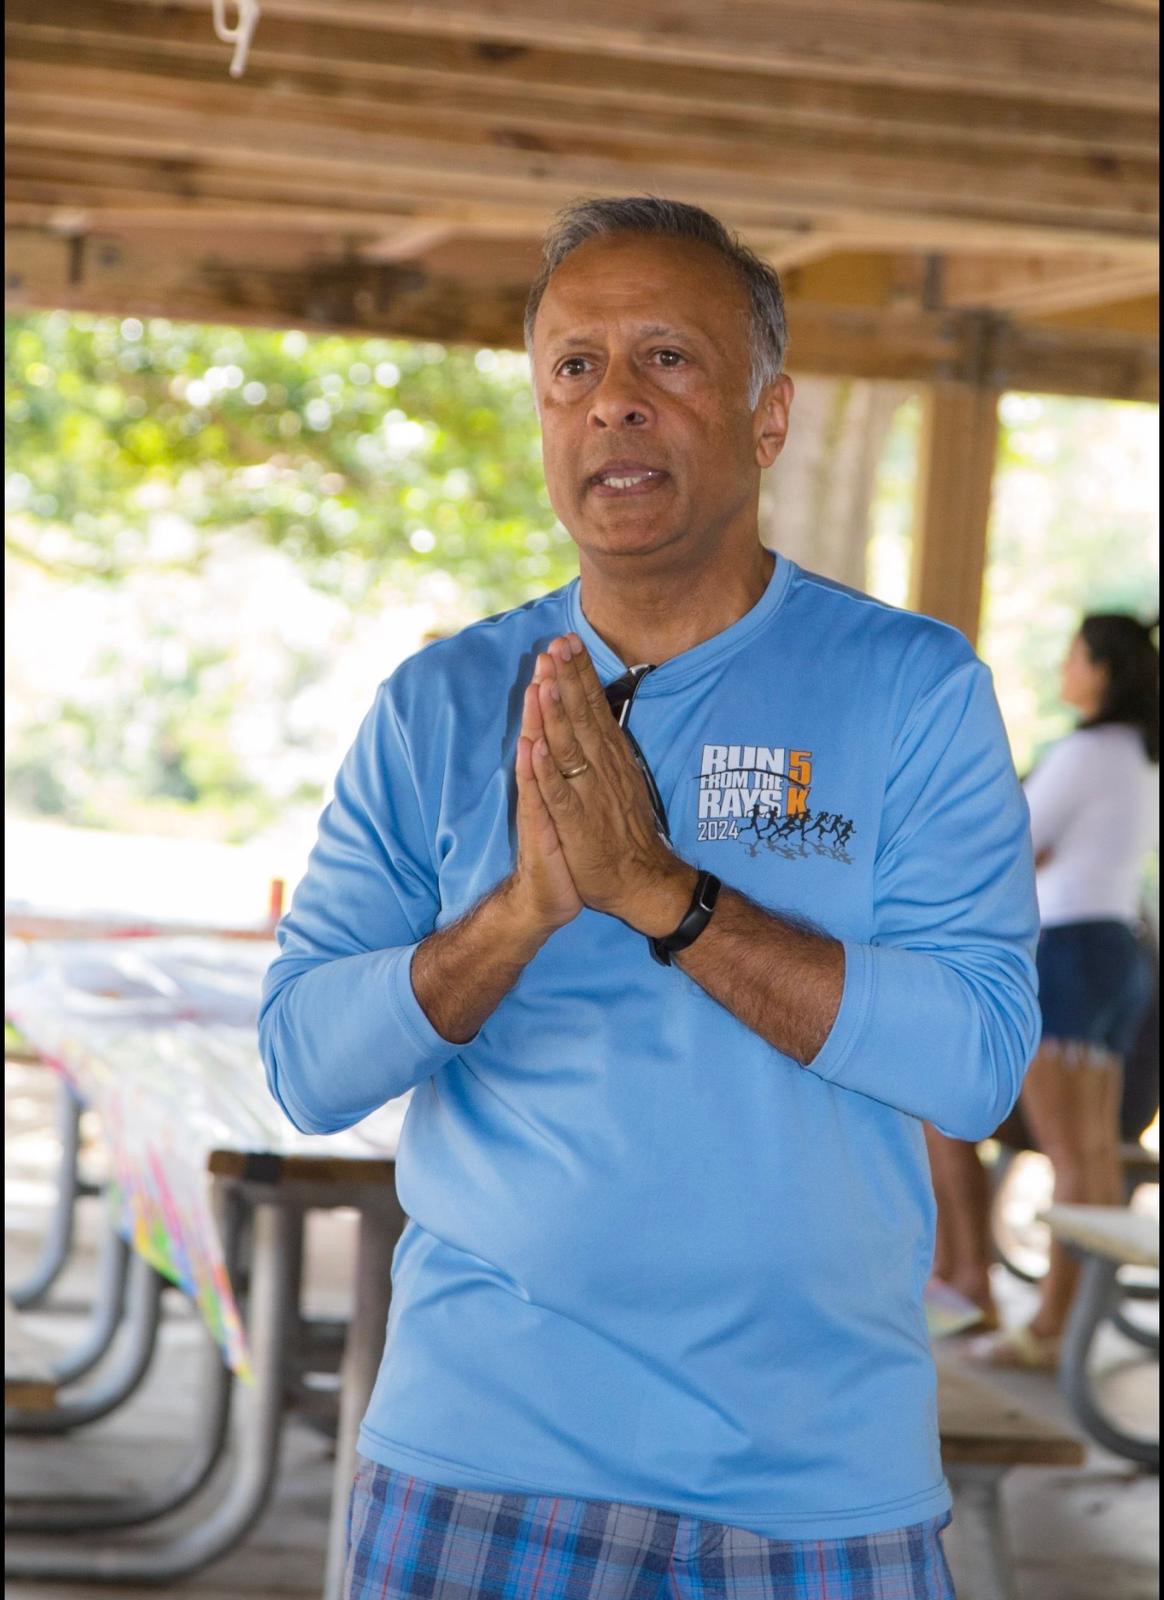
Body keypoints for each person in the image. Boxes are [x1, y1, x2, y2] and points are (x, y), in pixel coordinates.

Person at [259, 196, 1041, 1599]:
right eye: (575, 365)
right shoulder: (441, 702)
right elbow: (307, 1067)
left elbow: (977, 1065)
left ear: (768, 415)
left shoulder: (913, 688)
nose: (612, 400)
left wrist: (668, 897)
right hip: (482, 1457)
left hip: (817, 1479)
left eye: (667, 358)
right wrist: (521, 913)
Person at [926, 614, 1159, 1366]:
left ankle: (1048, 1326)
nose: (1065, 668)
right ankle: (1058, 1321)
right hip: (1115, 949)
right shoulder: (1138, 756)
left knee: (1065, 1150)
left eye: (1074, 656)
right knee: (1090, 1149)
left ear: (1104, 671)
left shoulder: (1087, 752)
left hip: (1065, 950)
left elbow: (1009, 842)